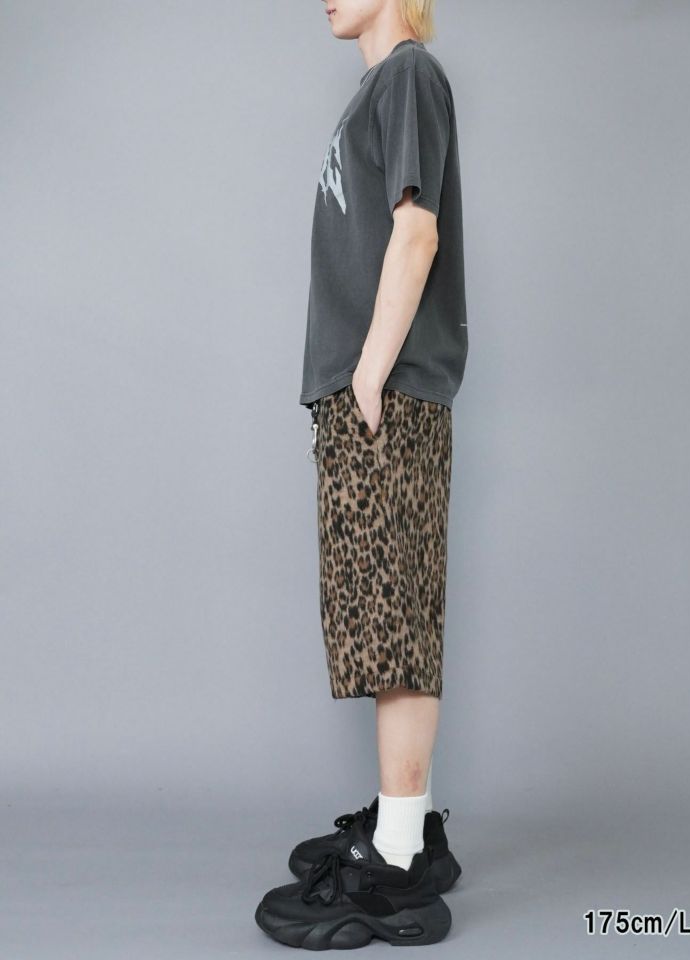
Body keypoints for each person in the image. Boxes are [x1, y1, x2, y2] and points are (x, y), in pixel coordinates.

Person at [255, 0, 468, 948]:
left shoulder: (410, 75)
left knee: (395, 627)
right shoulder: (379, 89)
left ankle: (395, 866)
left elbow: (416, 233)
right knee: (379, 623)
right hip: (360, 395)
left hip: (386, 393)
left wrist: (372, 372)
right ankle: (405, 827)